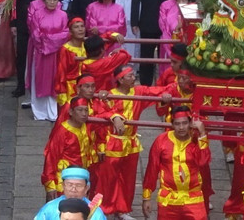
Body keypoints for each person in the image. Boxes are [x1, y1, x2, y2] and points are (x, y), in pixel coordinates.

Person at [97, 64, 172, 218]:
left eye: (133, 75)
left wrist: (165, 94)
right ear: (120, 79)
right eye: (129, 76)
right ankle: (103, 210)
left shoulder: (137, 92)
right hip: (112, 143)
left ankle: (122, 209)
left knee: (128, 179)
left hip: (131, 144)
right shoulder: (109, 95)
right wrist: (114, 116)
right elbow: (99, 110)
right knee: (108, 179)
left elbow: (154, 91)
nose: (133, 78)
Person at [141, 106, 210, 220]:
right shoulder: (161, 140)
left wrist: (202, 133)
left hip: (193, 198)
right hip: (168, 199)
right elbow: (151, 170)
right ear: (172, 124)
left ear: (190, 123)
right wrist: (146, 198)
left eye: (184, 123)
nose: (181, 127)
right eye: (177, 124)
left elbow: (203, 161)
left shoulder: (197, 140)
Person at [41, 97, 100, 200]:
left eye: (86, 110)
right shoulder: (62, 132)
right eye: (80, 110)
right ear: (71, 112)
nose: (84, 114)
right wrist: (50, 186)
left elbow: (105, 115)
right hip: (65, 179)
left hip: (82, 177)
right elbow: (51, 158)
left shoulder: (87, 126)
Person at [28, 0, 72, 120]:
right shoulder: (37, 14)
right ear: (44, 0)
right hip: (41, 52)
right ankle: (39, 111)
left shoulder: (63, 15)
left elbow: (65, 34)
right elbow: (35, 33)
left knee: (55, 80)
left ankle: (54, 111)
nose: (52, 2)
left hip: (57, 53)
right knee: (40, 79)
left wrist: (49, 40)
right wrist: (49, 41)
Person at [32, 167, 106, 220]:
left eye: (78, 185)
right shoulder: (49, 208)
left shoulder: (96, 213)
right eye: (70, 185)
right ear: (63, 186)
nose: (73, 189)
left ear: (86, 188)